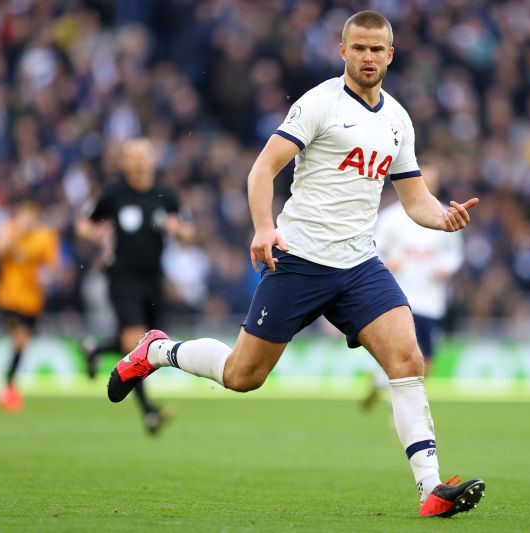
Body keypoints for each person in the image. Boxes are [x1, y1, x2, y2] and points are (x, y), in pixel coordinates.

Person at [106, 11, 485, 517]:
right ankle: (158, 351)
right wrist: (265, 228)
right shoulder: (320, 104)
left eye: (377, 49)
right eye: (360, 48)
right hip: (300, 260)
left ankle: (431, 490)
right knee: (243, 376)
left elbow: (415, 199)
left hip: (358, 265)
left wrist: (444, 218)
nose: (368, 57)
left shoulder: (397, 119)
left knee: (408, 361)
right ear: (343, 51)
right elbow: (263, 168)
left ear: (391, 55)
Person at [76, 137, 194, 434]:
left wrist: (179, 230)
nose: (140, 160)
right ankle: (149, 412)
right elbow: (84, 223)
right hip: (122, 278)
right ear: (124, 162)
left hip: (154, 281)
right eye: (134, 156)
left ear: (153, 159)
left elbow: (189, 232)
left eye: (145, 155)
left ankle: (97, 347)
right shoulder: (115, 194)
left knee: (150, 345)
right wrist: (96, 235)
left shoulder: (166, 196)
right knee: (136, 344)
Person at [362, 165, 464, 409]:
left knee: (428, 359)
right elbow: (372, 247)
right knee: (401, 351)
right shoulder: (392, 216)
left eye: (433, 180)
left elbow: (455, 254)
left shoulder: (444, 214)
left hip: (430, 297)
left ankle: (384, 384)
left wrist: (445, 268)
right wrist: (387, 264)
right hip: (399, 295)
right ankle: (404, 402)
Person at [0, 199, 60, 411]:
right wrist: (16, 237)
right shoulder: (9, 229)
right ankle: (8, 389)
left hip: (32, 301)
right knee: (20, 339)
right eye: (24, 214)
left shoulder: (46, 236)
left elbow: (54, 268)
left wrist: (46, 276)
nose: (28, 219)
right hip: (9, 298)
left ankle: (9, 386)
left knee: (22, 344)